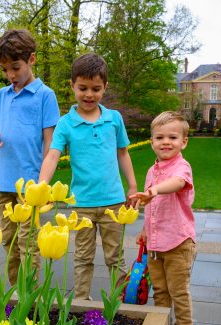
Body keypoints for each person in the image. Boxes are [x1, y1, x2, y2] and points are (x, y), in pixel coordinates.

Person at [38, 53, 138, 300]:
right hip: (80, 204)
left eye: (96, 88)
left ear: (105, 87)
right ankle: (81, 302)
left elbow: (123, 153)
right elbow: (52, 156)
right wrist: (41, 188)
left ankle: (119, 303)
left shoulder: (114, 119)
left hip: (113, 203)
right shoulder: (66, 123)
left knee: (116, 257)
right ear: (72, 85)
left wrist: (133, 186)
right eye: (82, 88)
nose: (89, 94)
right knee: (83, 257)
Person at [0, 29, 60, 285]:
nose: (10, 75)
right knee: (8, 242)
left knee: (28, 243)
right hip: (4, 181)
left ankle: (31, 297)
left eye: (15, 67)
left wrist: (42, 183)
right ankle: (17, 295)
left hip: (30, 184)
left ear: (32, 59)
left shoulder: (45, 96)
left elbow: (51, 142)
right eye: (5, 70)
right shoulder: (2, 95)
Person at [131, 111, 196, 325]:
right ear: (152, 142)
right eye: (159, 137)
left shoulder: (182, 167)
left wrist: (155, 190)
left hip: (179, 242)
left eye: (172, 137)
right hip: (156, 244)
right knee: (160, 288)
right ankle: (162, 324)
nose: (166, 142)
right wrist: (146, 229)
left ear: (184, 142)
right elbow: (153, 207)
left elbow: (178, 184)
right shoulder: (152, 170)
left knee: (178, 290)